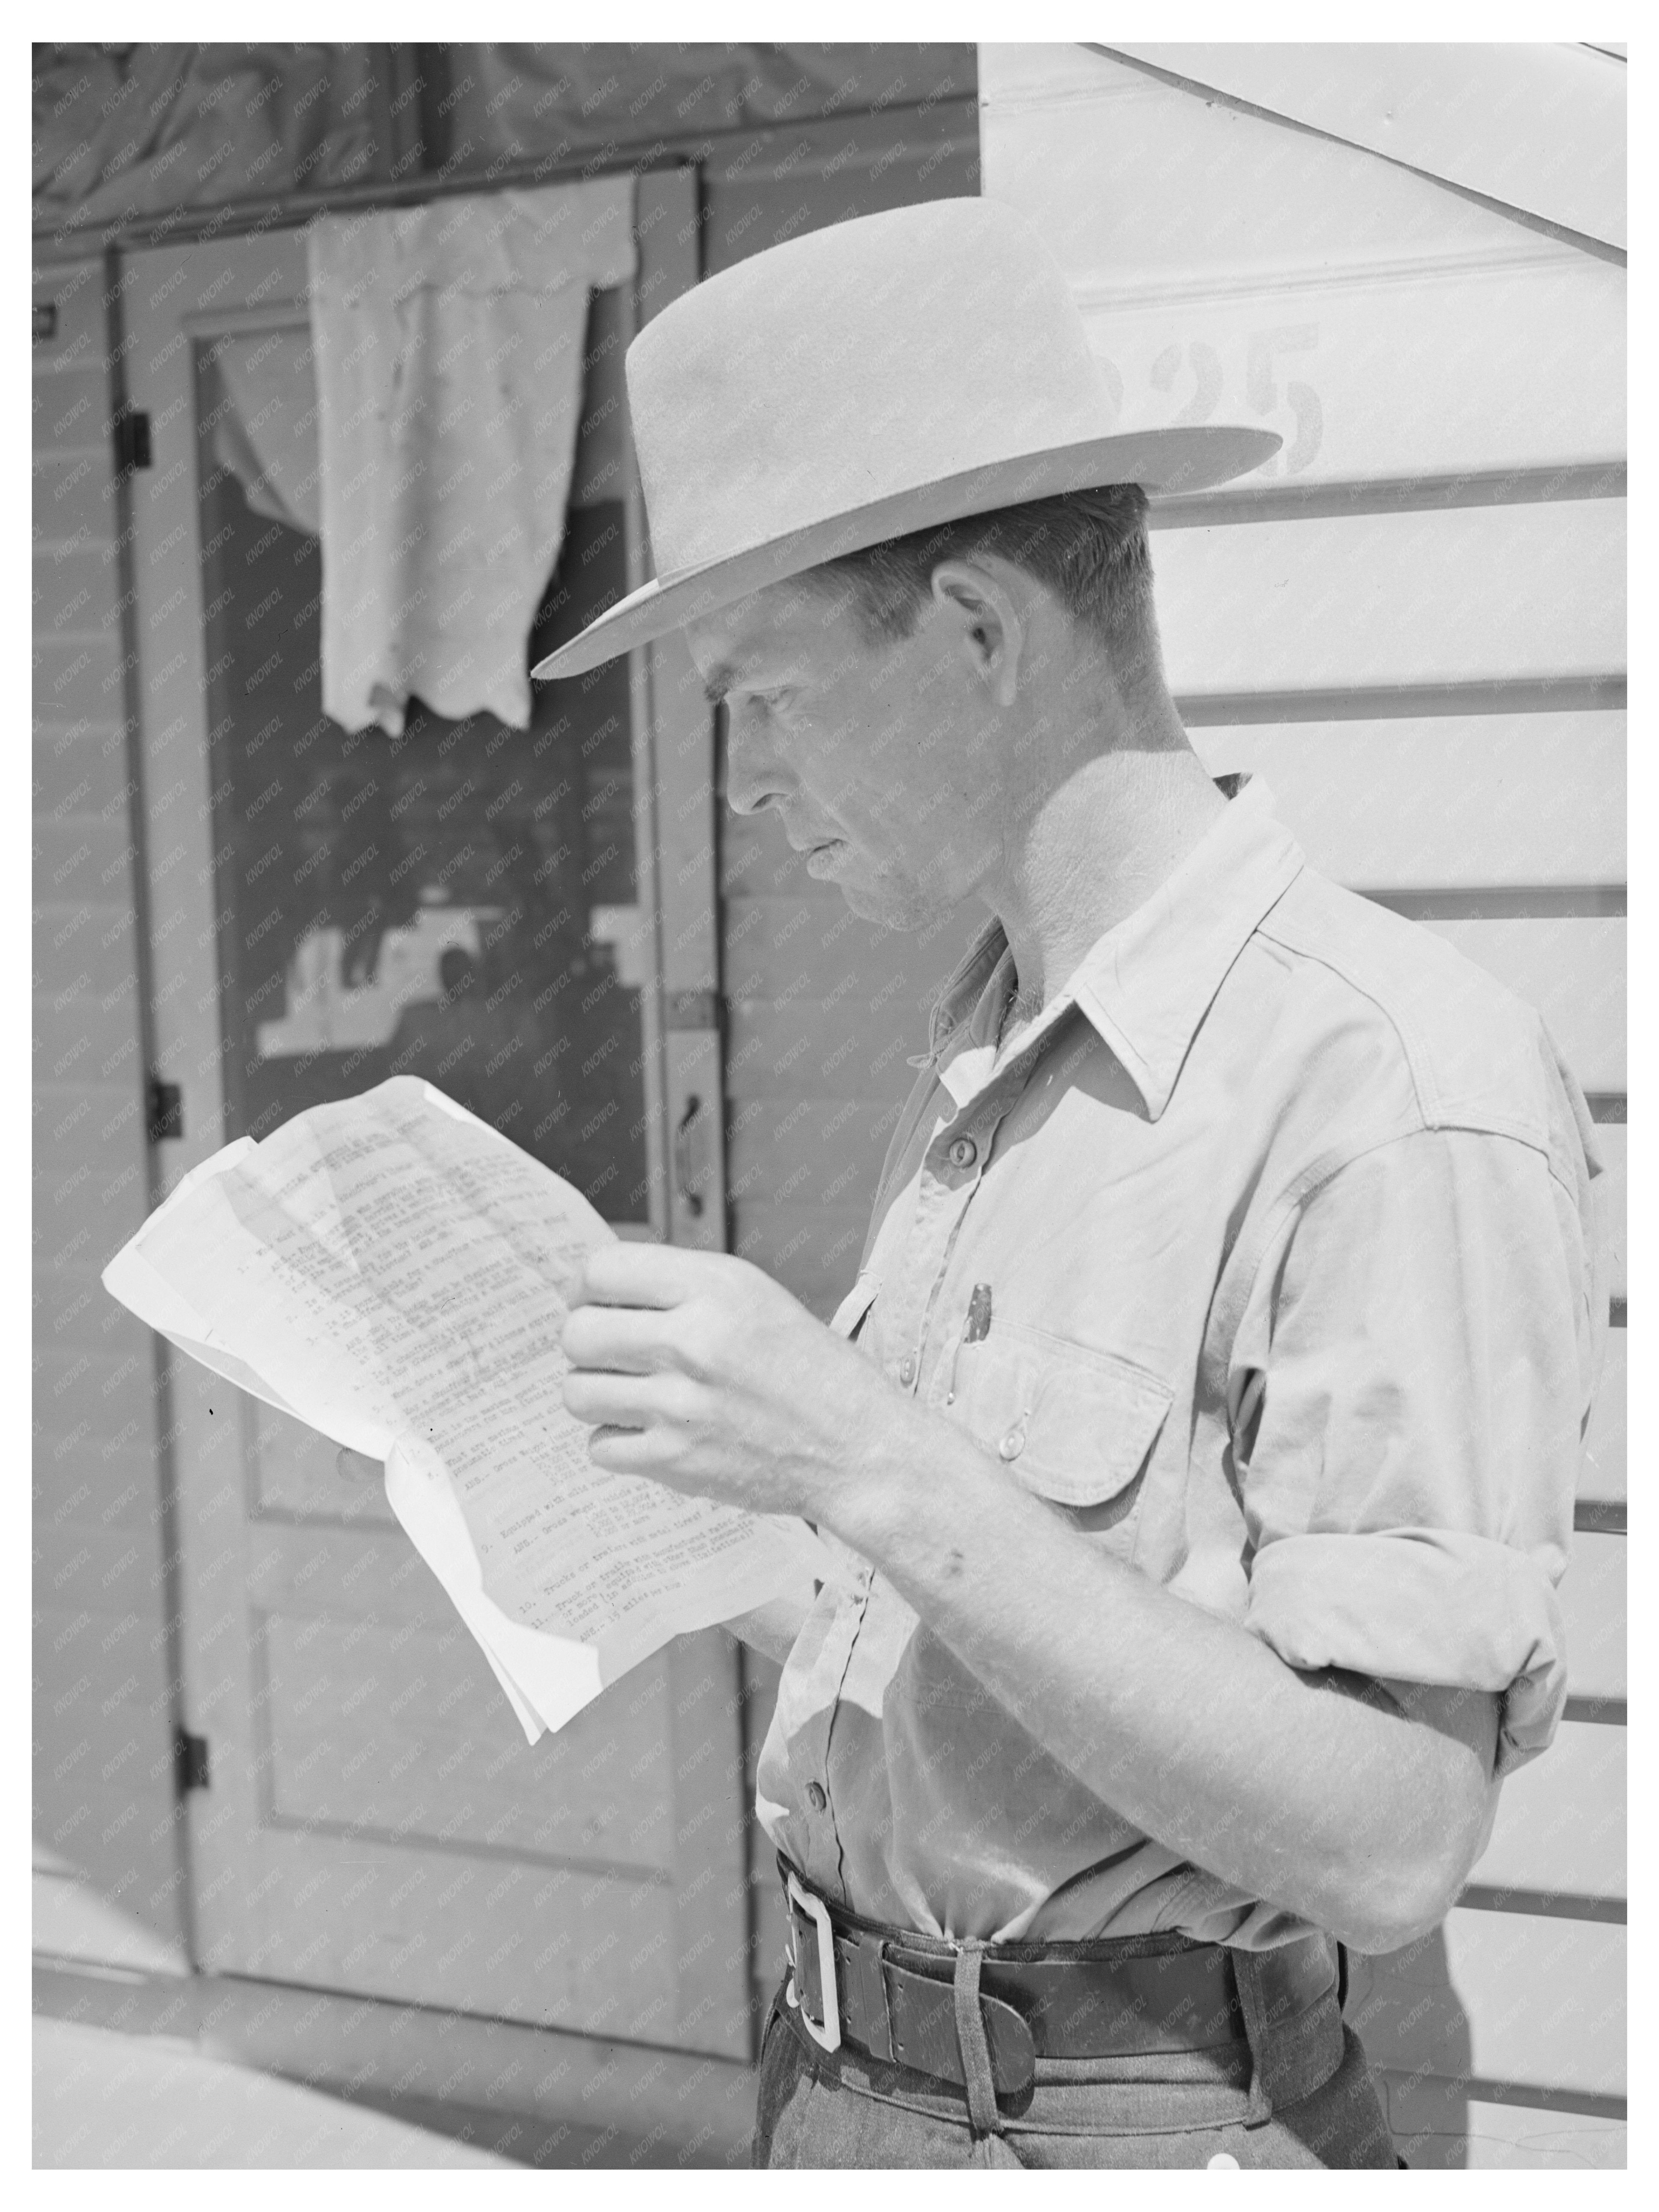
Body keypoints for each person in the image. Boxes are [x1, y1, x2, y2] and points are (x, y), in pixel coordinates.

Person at [539, 200, 1607, 2166]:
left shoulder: (1389, 1082)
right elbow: (1008, 1647)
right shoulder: (986, 1041)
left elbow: (1393, 1834)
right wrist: (670, 1496)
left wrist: (863, 1449)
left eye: (761, 699)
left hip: (1131, 2137)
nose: (747, 784)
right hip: (852, 2100)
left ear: (975, 628)